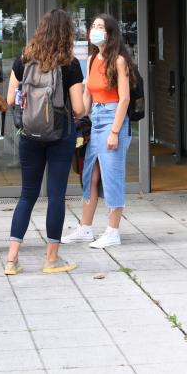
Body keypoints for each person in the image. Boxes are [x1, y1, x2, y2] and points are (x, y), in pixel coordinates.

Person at [3, 10, 86, 275]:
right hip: (60, 136)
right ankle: (51, 259)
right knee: (56, 196)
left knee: (27, 194)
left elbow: (8, 100)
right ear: (67, 34)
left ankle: (12, 260)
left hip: (29, 135)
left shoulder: (24, 59)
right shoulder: (70, 64)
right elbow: (79, 109)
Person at [61, 14, 135, 249]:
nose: (94, 30)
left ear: (110, 33)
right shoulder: (93, 58)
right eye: (93, 25)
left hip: (114, 119)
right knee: (89, 174)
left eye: (100, 27)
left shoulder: (119, 60)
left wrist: (114, 132)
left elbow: (124, 99)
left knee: (112, 176)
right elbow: (88, 93)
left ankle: (113, 231)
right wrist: (78, 116)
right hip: (97, 119)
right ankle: (85, 228)